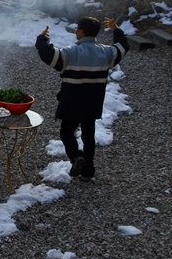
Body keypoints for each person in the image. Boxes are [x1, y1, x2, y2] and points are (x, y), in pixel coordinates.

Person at [35, 17, 129, 181]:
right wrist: (116, 30)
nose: (76, 31)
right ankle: (88, 171)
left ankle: (76, 156)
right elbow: (123, 46)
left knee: (67, 132)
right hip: (93, 102)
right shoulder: (107, 53)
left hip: (71, 101)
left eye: (78, 28)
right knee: (88, 135)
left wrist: (42, 38)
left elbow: (48, 54)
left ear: (82, 31)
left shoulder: (71, 52)